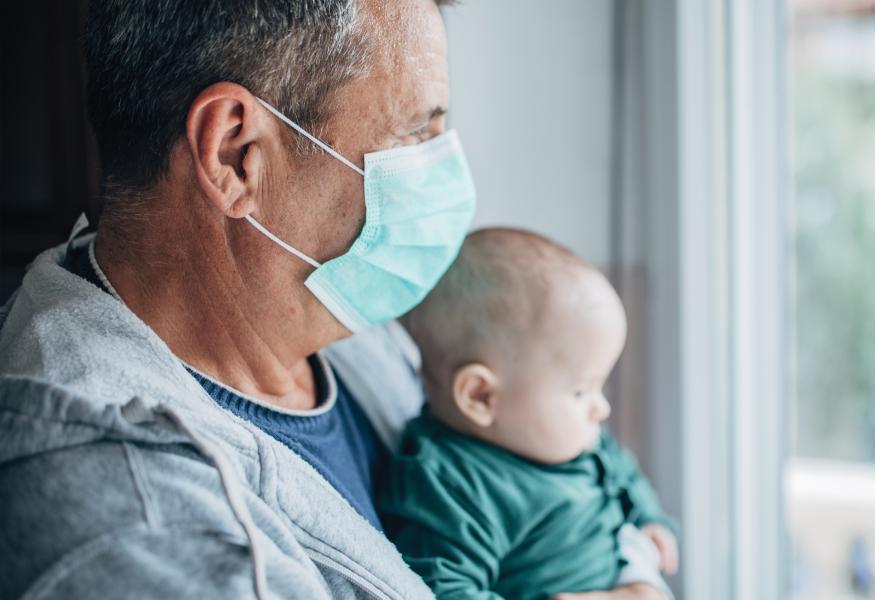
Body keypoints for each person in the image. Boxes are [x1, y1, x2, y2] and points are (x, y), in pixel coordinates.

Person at [0, 1, 667, 598]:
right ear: (236, 155)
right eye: (416, 132)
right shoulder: (132, 531)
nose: (446, 174)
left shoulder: (335, 306)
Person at [383, 228, 679, 599]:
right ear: (481, 396)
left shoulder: (570, 437)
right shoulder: (449, 487)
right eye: (579, 390)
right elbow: (443, 590)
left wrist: (650, 518)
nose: (600, 407)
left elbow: (623, 470)